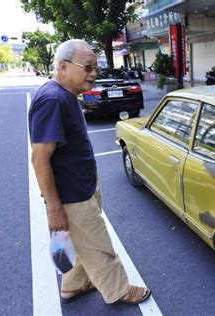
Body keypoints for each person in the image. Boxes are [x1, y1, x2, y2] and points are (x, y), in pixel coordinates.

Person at [29, 39, 151, 305]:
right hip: (72, 195)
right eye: (88, 67)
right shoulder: (52, 100)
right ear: (63, 66)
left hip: (81, 185)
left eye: (96, 67)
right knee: (98, 244)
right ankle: (119, 290)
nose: (94, 73)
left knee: (80, 242)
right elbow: (39, 159)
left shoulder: (66, 95)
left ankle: (73, 285)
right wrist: (54, 208)